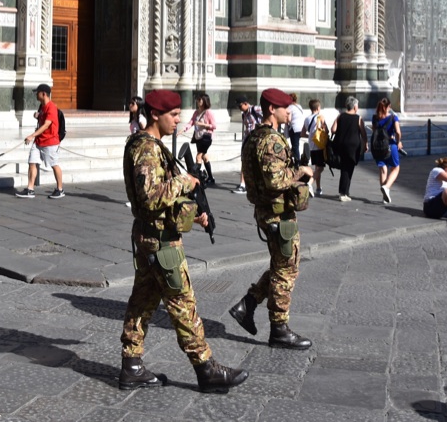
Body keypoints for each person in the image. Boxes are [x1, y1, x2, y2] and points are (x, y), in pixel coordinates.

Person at [119, 89, 248, 393]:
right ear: (155, 114)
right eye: (173, 115)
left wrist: (193, 213)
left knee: (142, 302)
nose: (178, 120)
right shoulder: (147, 149)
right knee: (182, 303)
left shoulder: (149, 145)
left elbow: (161, 200)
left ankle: (131, 366)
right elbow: (151, 198)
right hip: (161, 243)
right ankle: (207, 369)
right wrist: (183, 181)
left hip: (152, 238)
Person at [229, 88, 313, 350]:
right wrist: (302, 171)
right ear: (271, 110)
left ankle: (249, 304)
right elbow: (276, 180)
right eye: (284, 107)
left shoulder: (254, 137)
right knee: (287, 270)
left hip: (266, 212)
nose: (289, 111)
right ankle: (279, 329)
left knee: (281, 264)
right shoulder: (272, 141)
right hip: (278, 214)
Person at [17, 84, 65, 199]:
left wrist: (32, 135)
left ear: (44, 94)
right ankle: (30, 189)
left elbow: (47, 124)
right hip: (39, 142)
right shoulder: (42, 107)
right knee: (32, 162)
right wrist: (37, 115)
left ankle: (60, 189)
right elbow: (42, 120)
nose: (36, 95)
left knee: (54, 165)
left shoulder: (51, 107)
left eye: (37, 92)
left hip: (50, 142)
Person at [330, 96, 367, 201]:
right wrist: (366, 143)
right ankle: (343, 193)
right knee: (347, 168)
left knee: (346, 168)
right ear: (355, 107)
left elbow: (333, 129)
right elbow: (363, 133)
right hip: (353, 147)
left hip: (340, 145)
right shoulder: (358, 118)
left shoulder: (340, 116)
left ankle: (346, 191)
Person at [371, 97, 402, 203]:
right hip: (390, 145)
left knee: (382, 169)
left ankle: (384, 196)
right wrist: (398, 142)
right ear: (389, 106)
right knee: (395, 168)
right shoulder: (393, 117)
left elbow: (374, 130)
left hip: (377, 146)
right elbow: (398, 132)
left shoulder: (375, 118)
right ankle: (387, 187)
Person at [181, 94, 217, 186]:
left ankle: (196, 178)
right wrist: (183, 129)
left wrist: (203, 124)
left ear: (205, 101)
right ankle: (211, 178)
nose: (198, 102)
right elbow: (191, 122)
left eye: (200, 100)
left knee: (198, 157)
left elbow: (214, 126)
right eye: (197, 100)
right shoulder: (196, 112)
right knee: (205, 157)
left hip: (206, 138)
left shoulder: (208, 112)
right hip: (198, 138)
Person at [233, 96, 262, 194]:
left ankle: (249, 184)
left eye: (240, 106)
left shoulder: (255, 109)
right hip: (248, 138)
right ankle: (243, 184)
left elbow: (267, 117)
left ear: (246, 103)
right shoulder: (244, 114)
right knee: (244, 159)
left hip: (256, 138)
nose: (239, 108)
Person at [301, 99, 327, 195]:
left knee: (317, 167)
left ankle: (318, 188)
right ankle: (309, 183)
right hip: (319, 146)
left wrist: (311, 136)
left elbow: (302, 133)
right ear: (318, 107)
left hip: (311, 146)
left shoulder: (307, 119)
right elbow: (326, 130)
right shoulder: (320, 117)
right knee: (320, 168)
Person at [286, 93, 307, 167]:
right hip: (301, 128)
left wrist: (286, 122)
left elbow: (289, 119)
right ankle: (293, 158)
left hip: (294, 128)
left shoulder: (290, 107)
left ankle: (297, 162)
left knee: (295, 146)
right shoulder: (299, 106)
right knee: (295, 145)